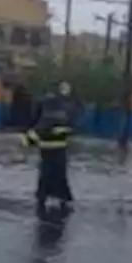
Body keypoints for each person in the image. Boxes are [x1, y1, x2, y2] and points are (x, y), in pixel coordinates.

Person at [23, 80, 78, 213]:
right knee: (54, 175)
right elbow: (39, 130)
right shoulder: (60, 111)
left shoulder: (56, 111)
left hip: (51, 150)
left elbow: (37, 131)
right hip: (54, 151)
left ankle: (49, 198)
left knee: (50, 175)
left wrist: (31, 139)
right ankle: (58, 199)